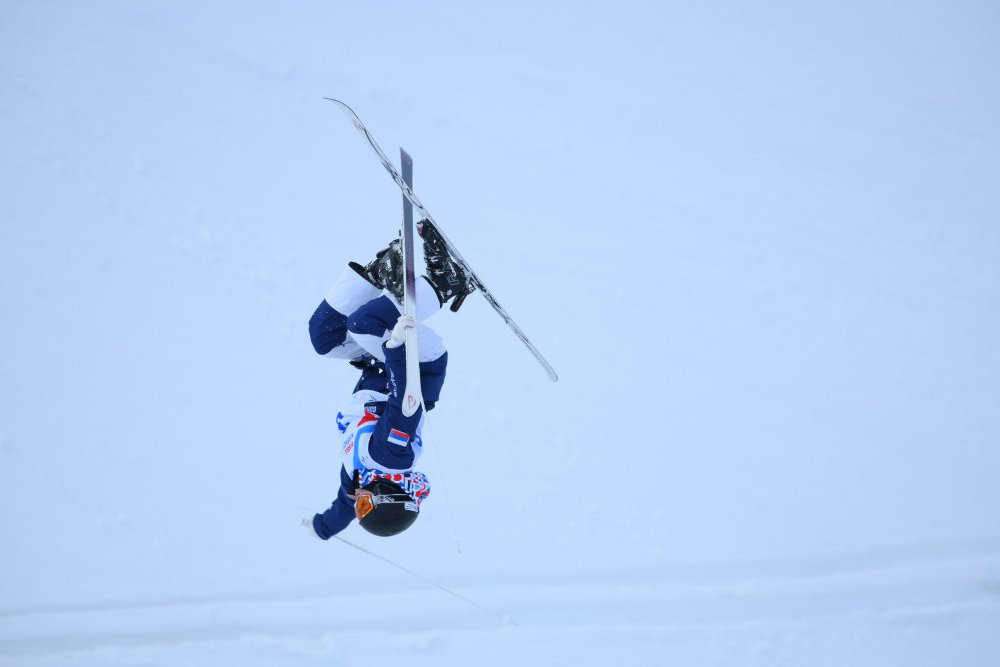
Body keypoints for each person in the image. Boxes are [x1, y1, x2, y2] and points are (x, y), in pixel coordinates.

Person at [305, 220, 472, 539]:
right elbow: (404, 403)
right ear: (386, 497)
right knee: (366, 324)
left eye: (360, 511)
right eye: (366, 508)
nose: (358, 505)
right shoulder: (389, 455)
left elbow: (343, 507)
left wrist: (322, 528)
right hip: (417, 367)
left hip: (385, 367)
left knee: (325, 338)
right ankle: (446, 284)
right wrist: (396, 350)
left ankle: (378, 274)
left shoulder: (359, 480)